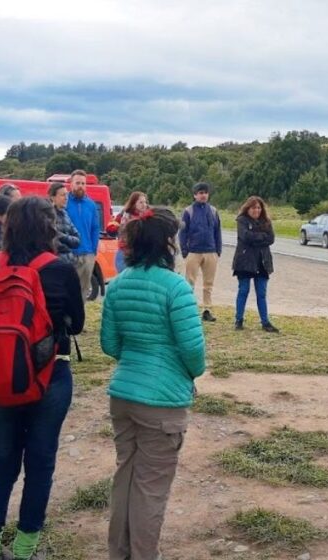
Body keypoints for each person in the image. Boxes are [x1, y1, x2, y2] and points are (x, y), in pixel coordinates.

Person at [0, 197, 84, 560]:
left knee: (2, 463)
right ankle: (24, 551)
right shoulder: (60, 269)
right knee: (40, 464)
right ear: (48, 226)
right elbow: (78, 324)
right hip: (49, 375)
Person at [100, 208, 206, 560]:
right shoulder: (176, 287)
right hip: (162, 402)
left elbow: (110, 345)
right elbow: (192, 349)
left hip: (124, 394)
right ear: (165, 243)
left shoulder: (118, 284)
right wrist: (190, 374)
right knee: (150, 489)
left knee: (126, 479)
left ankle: (120, 553)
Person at [232, 196, 278, 332]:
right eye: (253, 208)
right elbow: (245, 236)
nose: (256, 210)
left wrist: (256, 236)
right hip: (245, 261)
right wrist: (261, 236)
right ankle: (238, 320)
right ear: (248, 208)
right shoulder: (242, 221)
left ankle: (265, 322)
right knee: (243, 290)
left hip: (262, 261)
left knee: (261, 293)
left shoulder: (266, 222)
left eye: (258, 207)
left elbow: (271, 238)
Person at [179, 182, 222, 322]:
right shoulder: (188, 211)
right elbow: (183, 232)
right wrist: (185, 250)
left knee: (208, 283)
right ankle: (188, 309)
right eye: (200, 192)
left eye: (205, 192)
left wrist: (218, 250)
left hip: (210, 251)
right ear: (195, 195)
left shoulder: (213, 211)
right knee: (190, 282)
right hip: (194, 251)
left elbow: (217, 232)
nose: (203, 195)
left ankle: (207, 310)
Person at [65, 170, 100, 300]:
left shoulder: (91, 204)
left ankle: (79, 317)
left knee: (83, 291)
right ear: (71, 184)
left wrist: (93, 250)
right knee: (68, 289)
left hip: (87, 254)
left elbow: (95, 228)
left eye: (83, 183)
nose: (81, 186)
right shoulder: (64, 202)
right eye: (78, 183)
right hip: (69, 253)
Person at [113, 191, 148, 273]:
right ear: (133, 203)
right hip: (126, 253)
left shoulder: (146, 217)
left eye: (145, 202)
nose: (144, 205)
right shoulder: (126, 216)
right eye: (141, 202)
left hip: (140, 254)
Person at [48, 182, 80, 266]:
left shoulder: (66, 214)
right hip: (54, 263)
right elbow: (53, 241)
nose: (66, 198)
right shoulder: (47, 215)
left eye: (67, 195)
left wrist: (63, 237)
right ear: (53, 197)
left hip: (70, 262)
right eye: (62, 195)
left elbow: (77, 240)